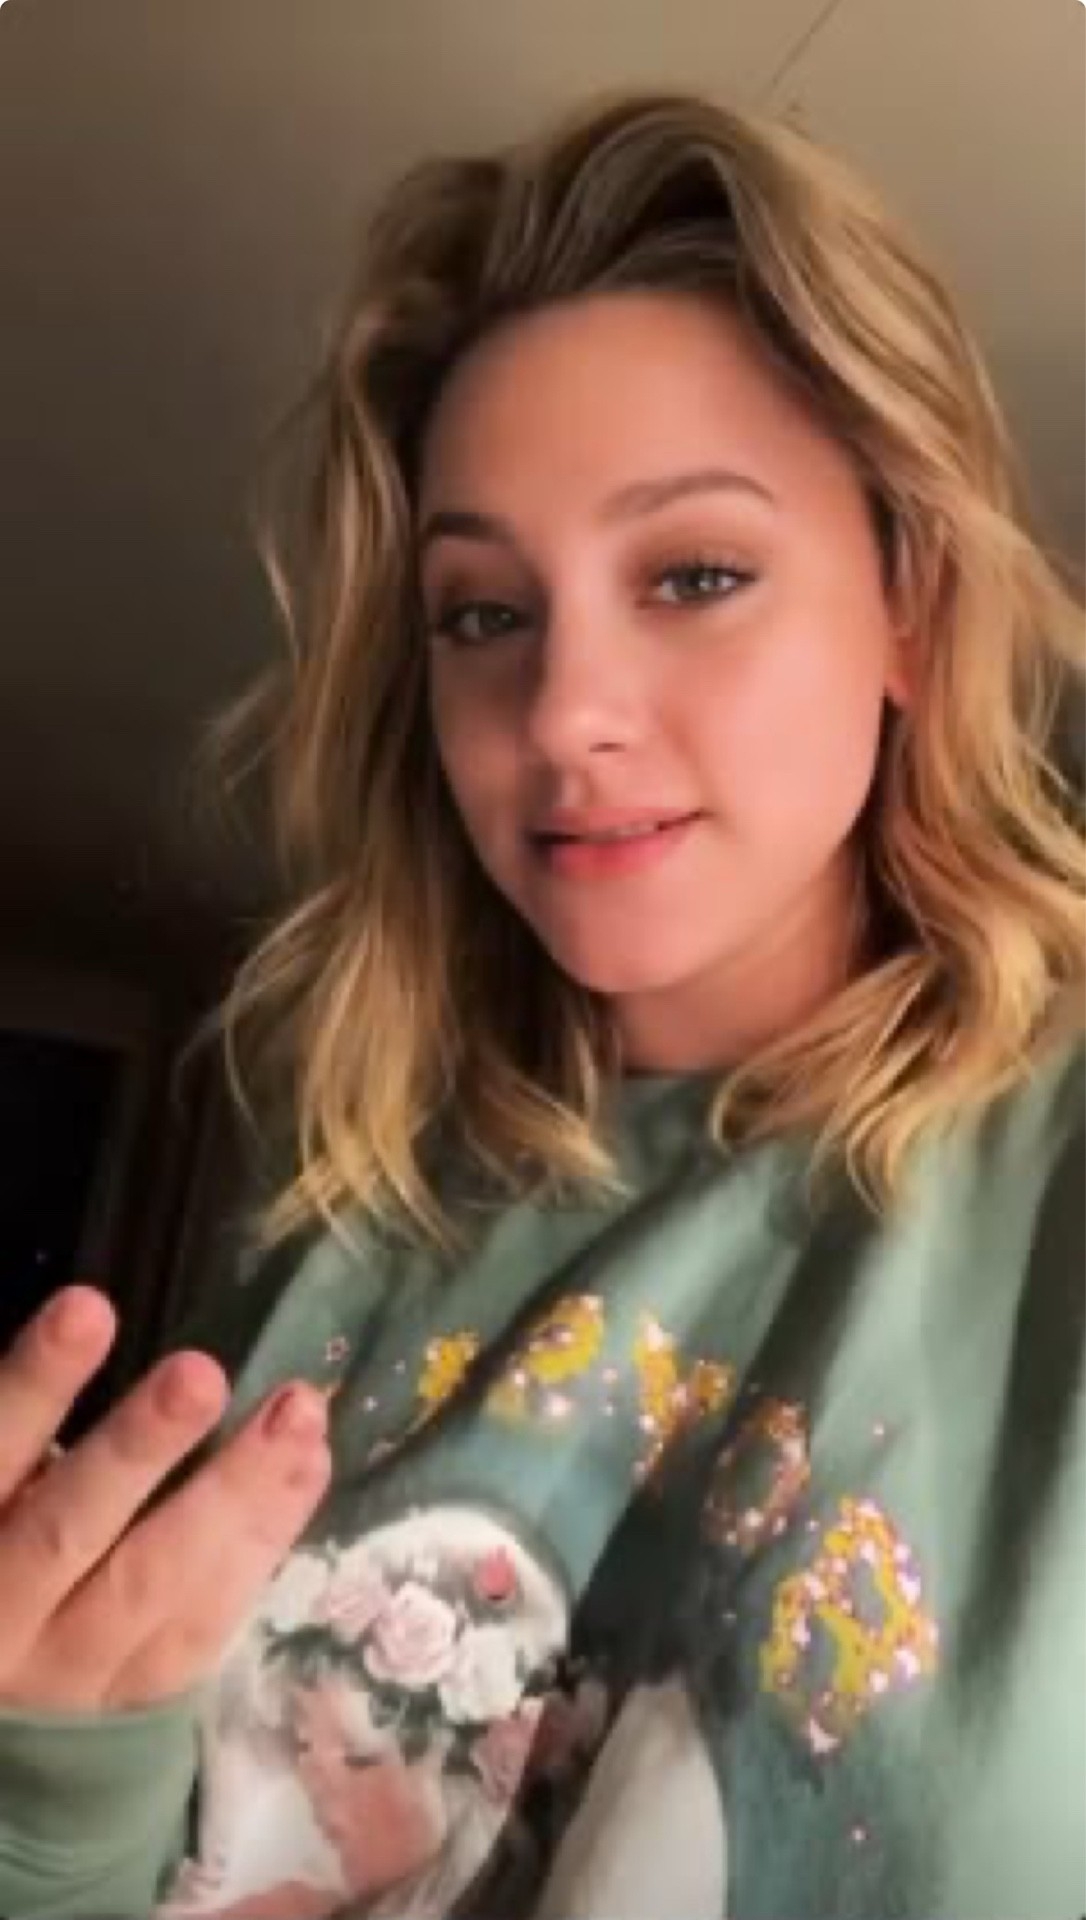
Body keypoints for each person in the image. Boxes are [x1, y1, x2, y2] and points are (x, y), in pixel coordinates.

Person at [0, 87, 1083, 1920]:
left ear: (910, 603)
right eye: (483, 613)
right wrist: (48, 1805)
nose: (564, 711)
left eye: (694, 575)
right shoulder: (329, 1231)